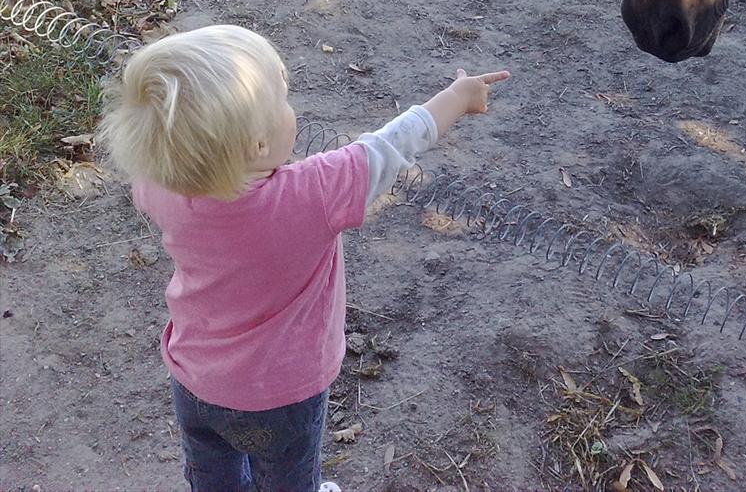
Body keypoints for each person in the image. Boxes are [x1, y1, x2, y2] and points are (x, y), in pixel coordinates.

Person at [98, 24, 509, 492]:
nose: (291, 108)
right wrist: (458, 96)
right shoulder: (308, 196)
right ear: (256, 145)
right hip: (281, 396)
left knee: (214, 477)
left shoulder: (158, 184)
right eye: (283, 101)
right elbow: (388, 147)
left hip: (195, 379)